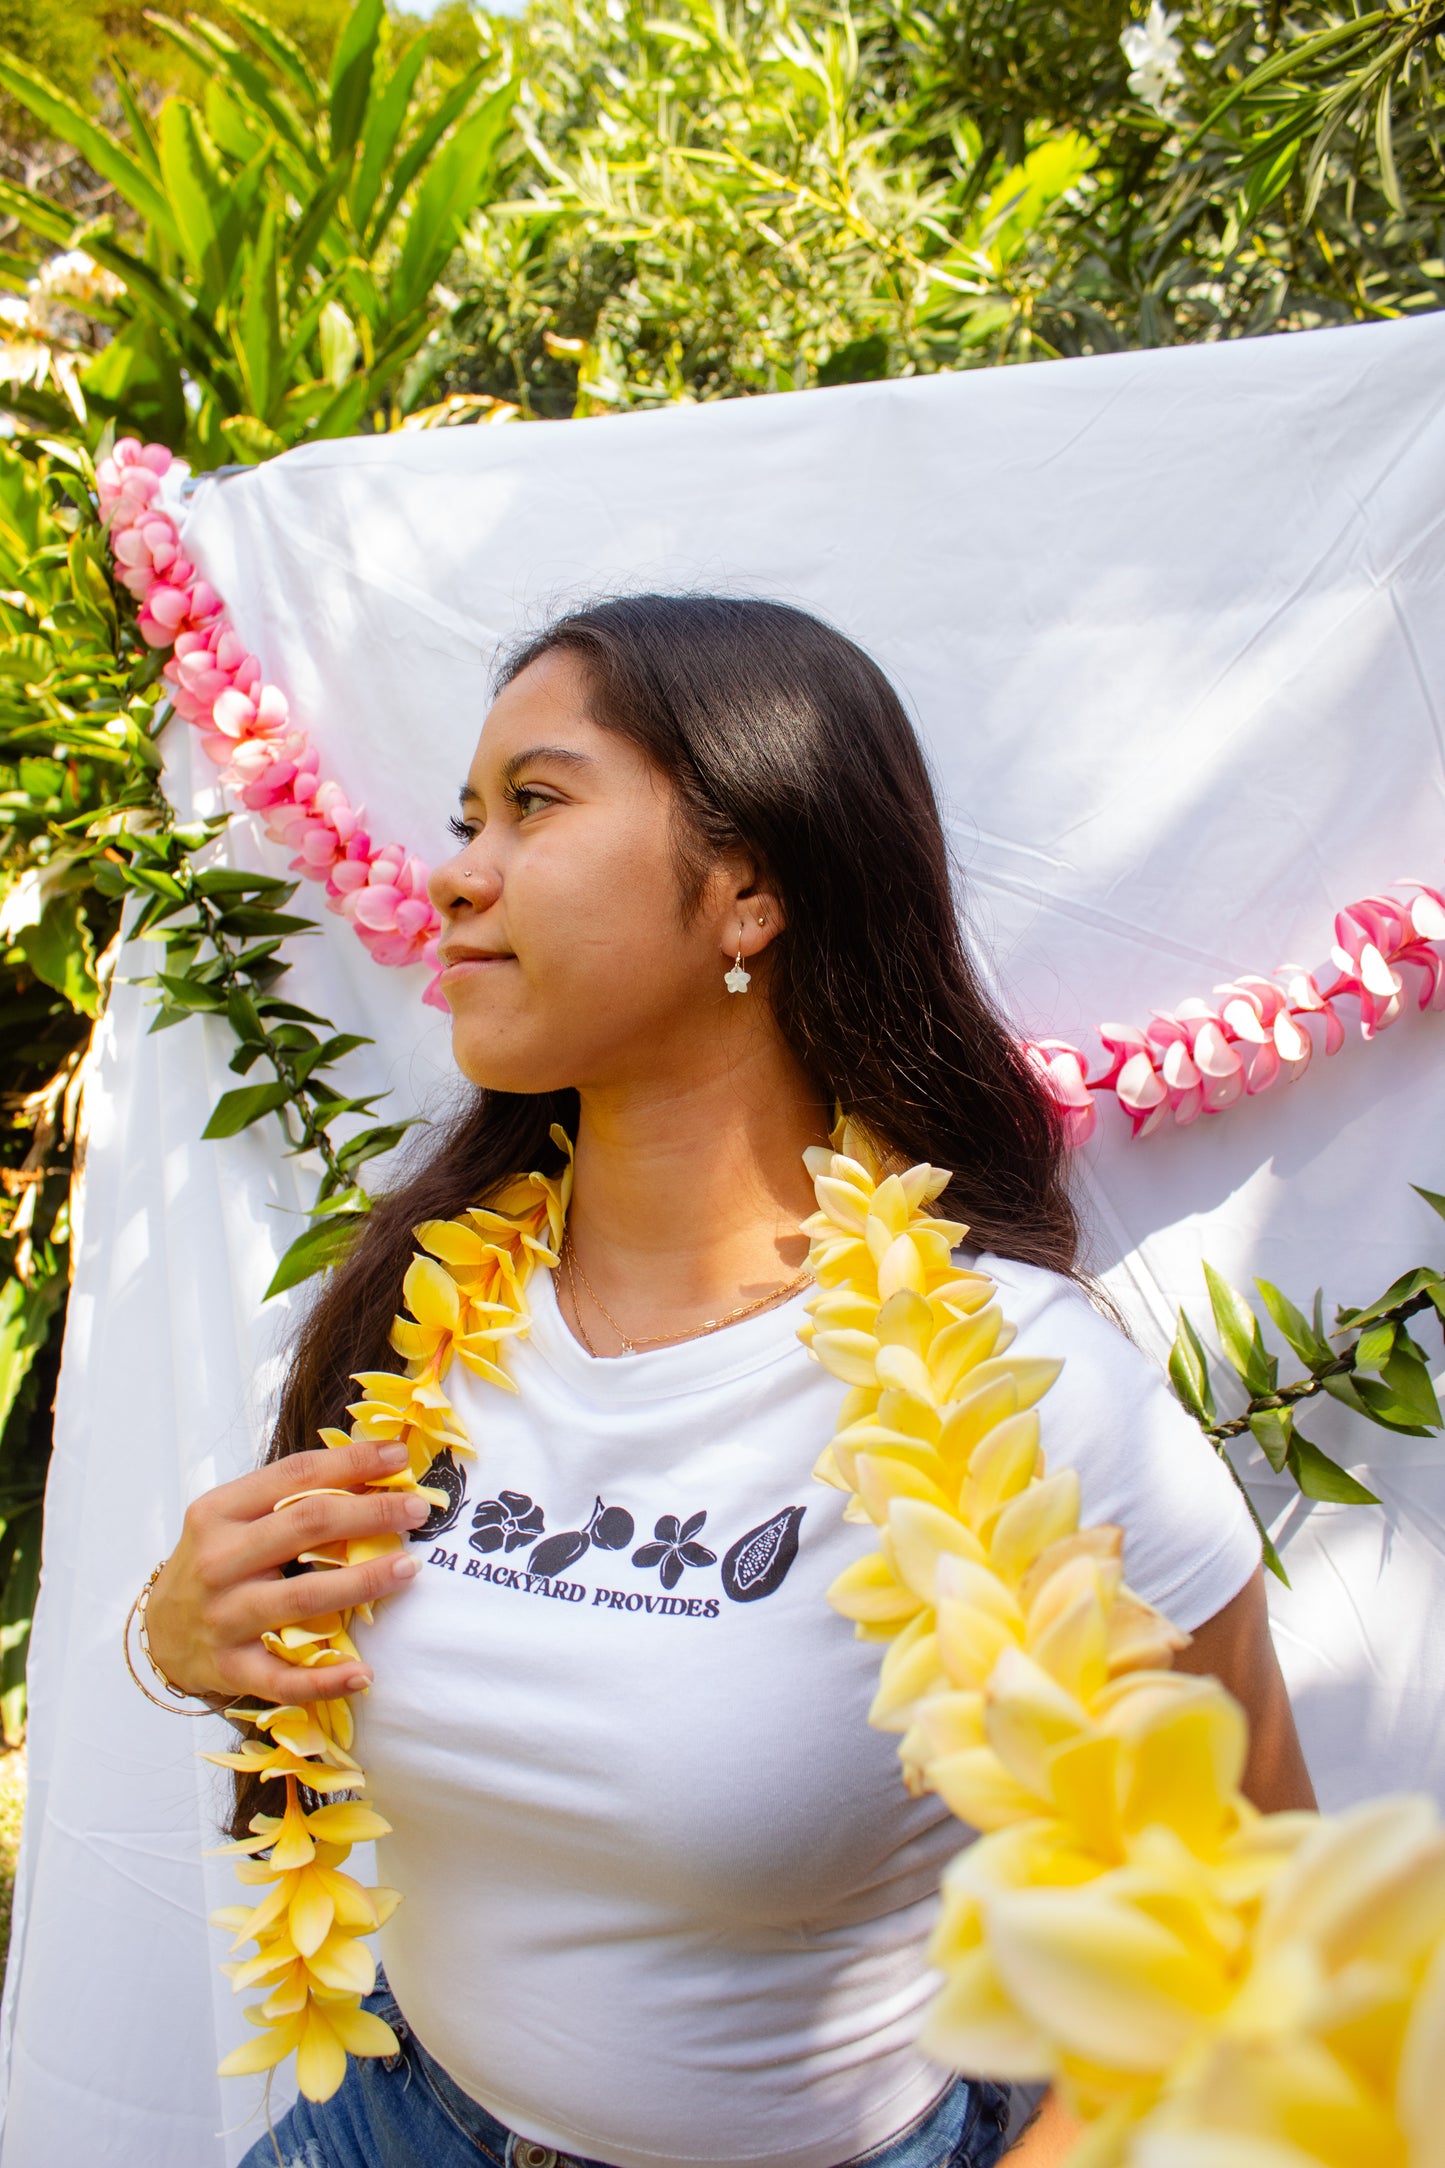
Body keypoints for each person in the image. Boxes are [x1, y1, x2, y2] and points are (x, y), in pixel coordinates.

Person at [145, 596, 1315, 2168]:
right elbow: (298, 1689)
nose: (455, 871)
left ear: (749, 887)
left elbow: (1250, 1901)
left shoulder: (1015, 1383)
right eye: (464, 816)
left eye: (534, 805)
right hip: (385, 2125)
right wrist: (180, 1641)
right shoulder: (425, 1316)